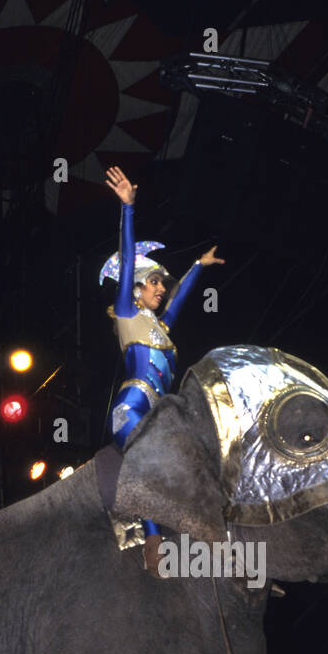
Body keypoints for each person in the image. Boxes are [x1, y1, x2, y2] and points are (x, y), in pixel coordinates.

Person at [100, 165, 224, 574]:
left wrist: (199, 267)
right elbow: (127, 244)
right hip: (131, 409)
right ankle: (153, 547)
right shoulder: (126, 313)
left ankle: (227, 555)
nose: (160, 288)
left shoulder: (160, 327)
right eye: (153, 282)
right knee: (153, 468)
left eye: (161, 284)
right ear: (134, 287)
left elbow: (180, 300)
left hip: (158, 410)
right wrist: (128, 209)